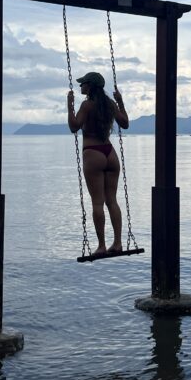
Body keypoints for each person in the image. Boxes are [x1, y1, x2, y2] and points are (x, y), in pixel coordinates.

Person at [67, 71, 130, 256]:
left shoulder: (87, 105)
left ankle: (102, 246)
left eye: (83, 83)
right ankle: (117, 243)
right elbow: (125, 123)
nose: (80, 86)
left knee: (97, 203)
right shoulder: (110, 104)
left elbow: (73, 126)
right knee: (112, 201)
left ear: (91, 87)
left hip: (93, 153)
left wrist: (69, 106)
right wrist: (120, 101)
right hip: (110, 154)